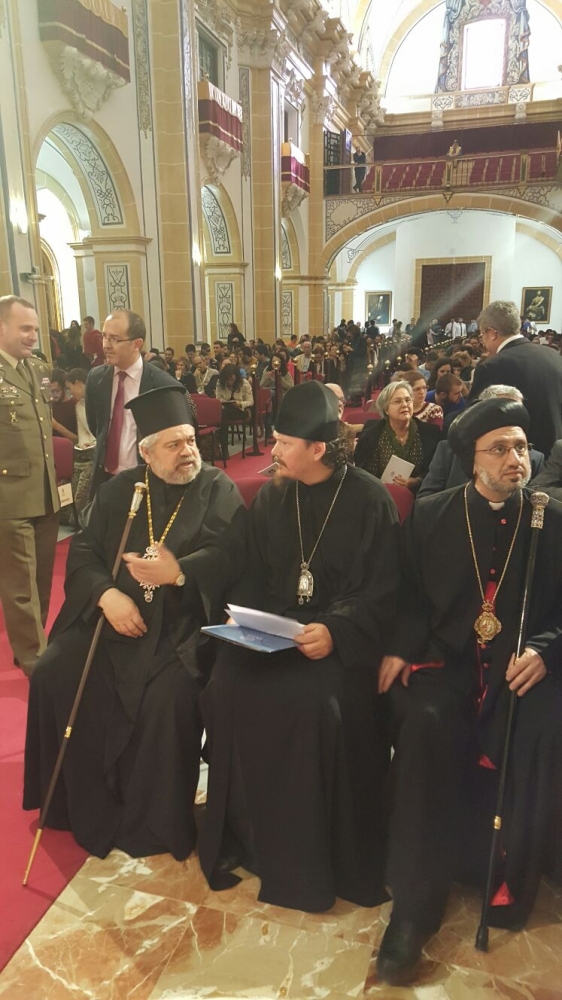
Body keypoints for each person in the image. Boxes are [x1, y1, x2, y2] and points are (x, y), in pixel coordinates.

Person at [375, 398, 562, 986]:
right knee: (425, 725)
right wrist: (401, 645)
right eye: (499, 449)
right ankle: (413, 908)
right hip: (452, 664)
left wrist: (548, 649)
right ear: (471, 460)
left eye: (521, 448)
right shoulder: (431, 516)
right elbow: (407, 595)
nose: (516, 460)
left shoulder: (551, 516)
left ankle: (511, 879)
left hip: (523, 670)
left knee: (540, 728)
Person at [198, 380, 400, 912]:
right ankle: (250, 837)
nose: (274, 451)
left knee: (312, 706)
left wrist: (336, 630)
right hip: (279, 633)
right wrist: (246, 620)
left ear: (316, 449)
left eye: (284, 443)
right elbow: (247, 570)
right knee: (225, 686)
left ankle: (313, 857)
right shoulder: (272, 497)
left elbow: (382, 591)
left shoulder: (369, 500)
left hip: (337, 643)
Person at [24, 384, 245, 860]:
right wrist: (106, 596)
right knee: (53, 672)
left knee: (168, 700)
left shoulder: (216, 487)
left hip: (179, 630)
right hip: (113, 622)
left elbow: (231, 554)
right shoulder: (121, 490)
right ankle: (68, 803)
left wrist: (181, 571)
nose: (188, 453)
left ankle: (153, 823)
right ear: (146, 452)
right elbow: (83, 553)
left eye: (190, 440)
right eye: (174, 445)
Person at [0, 295, 60, 676]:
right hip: (10, 497)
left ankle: (32, 643)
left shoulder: (36, 369)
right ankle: (36, 659)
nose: (33, 336)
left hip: (45, 491)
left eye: (35, 328)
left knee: (41, 578)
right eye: (25, 328)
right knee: (20, 582)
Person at [85, 309, 183, 498]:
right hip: (105, 479)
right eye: (104, 337)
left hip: (147, 481)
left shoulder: (163, 385)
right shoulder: (96, 378)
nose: (106, 345)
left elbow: (176, 442)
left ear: (136, 344)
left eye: (115, 339)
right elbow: (96, 424)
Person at [469, 300, 562, 457]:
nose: (483, 342)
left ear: (492, 333)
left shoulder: (492, 366)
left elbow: (475, 421)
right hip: (557, 456)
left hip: (518, 459)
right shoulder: (553, 356)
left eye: (482, 335)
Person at [418, 386, 545, 498]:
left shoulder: (535, 458)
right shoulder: (448, 451)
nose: (515, 460)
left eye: (517, 412)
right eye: (499, 449)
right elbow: (427, 499)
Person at [355, 381, 440, 493]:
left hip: (419, 495)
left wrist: (416, 481)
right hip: (378, 494)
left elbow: (436, 472)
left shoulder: (429, 432)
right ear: (386, 409)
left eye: (408, 400)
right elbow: (363, 472)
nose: (405, 405)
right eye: (397, 401)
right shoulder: (371, 433)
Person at [65, 368, 97, 516]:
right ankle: (75, 518)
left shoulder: (97, 401)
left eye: (70, 389)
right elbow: (83, 434)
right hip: (83, 452)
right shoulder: (79, 405)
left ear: (78, 384)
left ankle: (83, 518)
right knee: (72, 487)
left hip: (96, 454)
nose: (70, 393)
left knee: (81, 494)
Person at [215, 363, 253, 459]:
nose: (230, 382)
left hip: (241, 410)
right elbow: (217, 399)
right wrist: (224, 402)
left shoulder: (244, 383)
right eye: (228, 380)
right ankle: (223, 447)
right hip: (225, 410)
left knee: (222, 415)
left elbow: (251, 401)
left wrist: (240, 404)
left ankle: (224, 448)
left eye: (232, 380)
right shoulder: (220, 383)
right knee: (222, 414)